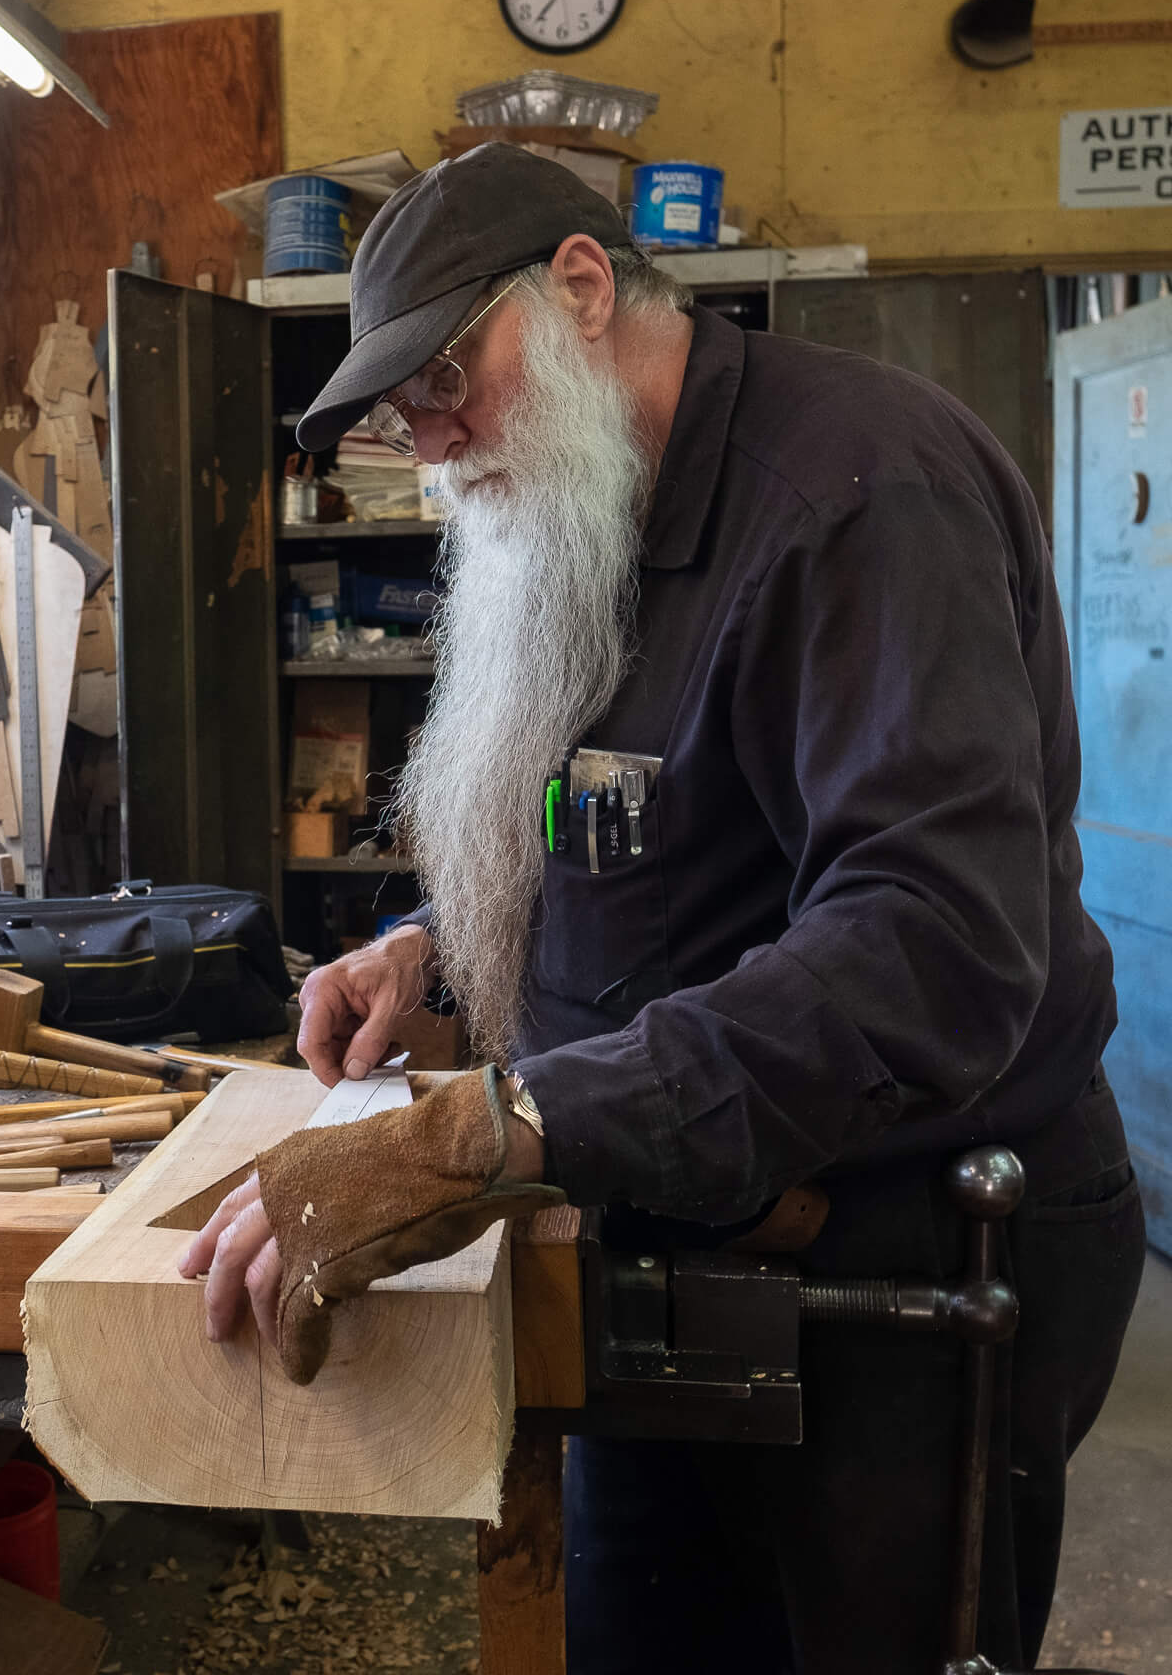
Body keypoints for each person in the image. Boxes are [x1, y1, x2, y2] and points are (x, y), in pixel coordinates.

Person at [180, 144, 1146, 1672]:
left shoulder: (858, 498)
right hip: (669, 1212)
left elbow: (926, 945)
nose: (428, 443)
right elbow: (633, 818)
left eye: (445, 375)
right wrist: (445, 962)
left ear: (579, 290)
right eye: (398, 407)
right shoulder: (589, 500)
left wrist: (493, 1130)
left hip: (907, 1245)